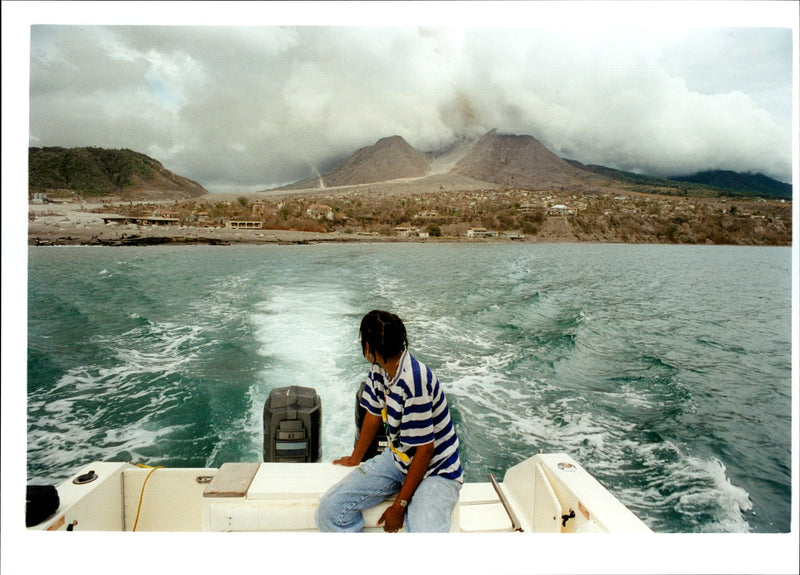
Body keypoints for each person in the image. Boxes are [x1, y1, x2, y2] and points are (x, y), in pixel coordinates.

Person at [316, 310, 463, 533]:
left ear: (368, 348)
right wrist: (356, 457)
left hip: (436, 470)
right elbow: (374, 414)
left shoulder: (414, 382)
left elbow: (425, 450)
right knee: (330, 511)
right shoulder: (380, 368)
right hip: (398, 458)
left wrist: (399, 506)